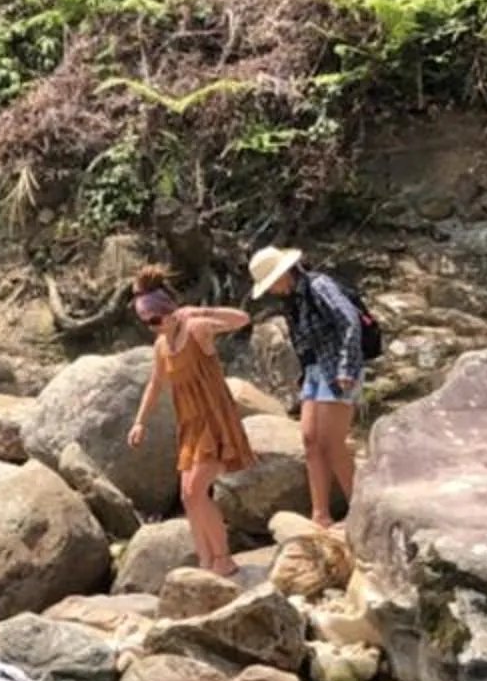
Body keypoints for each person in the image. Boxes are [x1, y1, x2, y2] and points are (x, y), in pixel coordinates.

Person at [126, 265, 256, 579]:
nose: (153, 327)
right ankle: (206, 561)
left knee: (197, 490)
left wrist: (201, 309)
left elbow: (242, 319)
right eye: (147, 323)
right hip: (190, 424)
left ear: (169, 312)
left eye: (155, 319)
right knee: (187, 494)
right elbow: (155, 384)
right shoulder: (161, 346)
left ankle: (224, 559)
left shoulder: (196, 329)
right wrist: (139, 422)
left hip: (213, 418)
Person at [250, 247, 362, 529]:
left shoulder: (318, 285)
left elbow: (350, 320)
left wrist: (346, 368)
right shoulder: (293, 300)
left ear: (285, 273)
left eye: (272, 282)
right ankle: (320, 515)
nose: (272, 290)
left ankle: (361, 512)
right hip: (314, 372)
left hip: (337, 368)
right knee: (310, 440)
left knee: (332, 442)